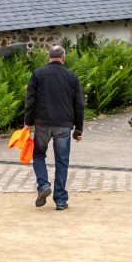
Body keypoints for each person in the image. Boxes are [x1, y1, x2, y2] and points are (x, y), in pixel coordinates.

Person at [24, 45, 84, 211]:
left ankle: (43, 185)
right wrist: (78, 129)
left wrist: (27, 123)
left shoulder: (38, 74)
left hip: (42, 123)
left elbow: (31, 101)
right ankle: (60, 200)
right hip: (64, 124)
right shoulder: (71, 76)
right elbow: (79, 104)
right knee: (62, 161)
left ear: (48, 57)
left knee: (38, 155)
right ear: (63, 58)